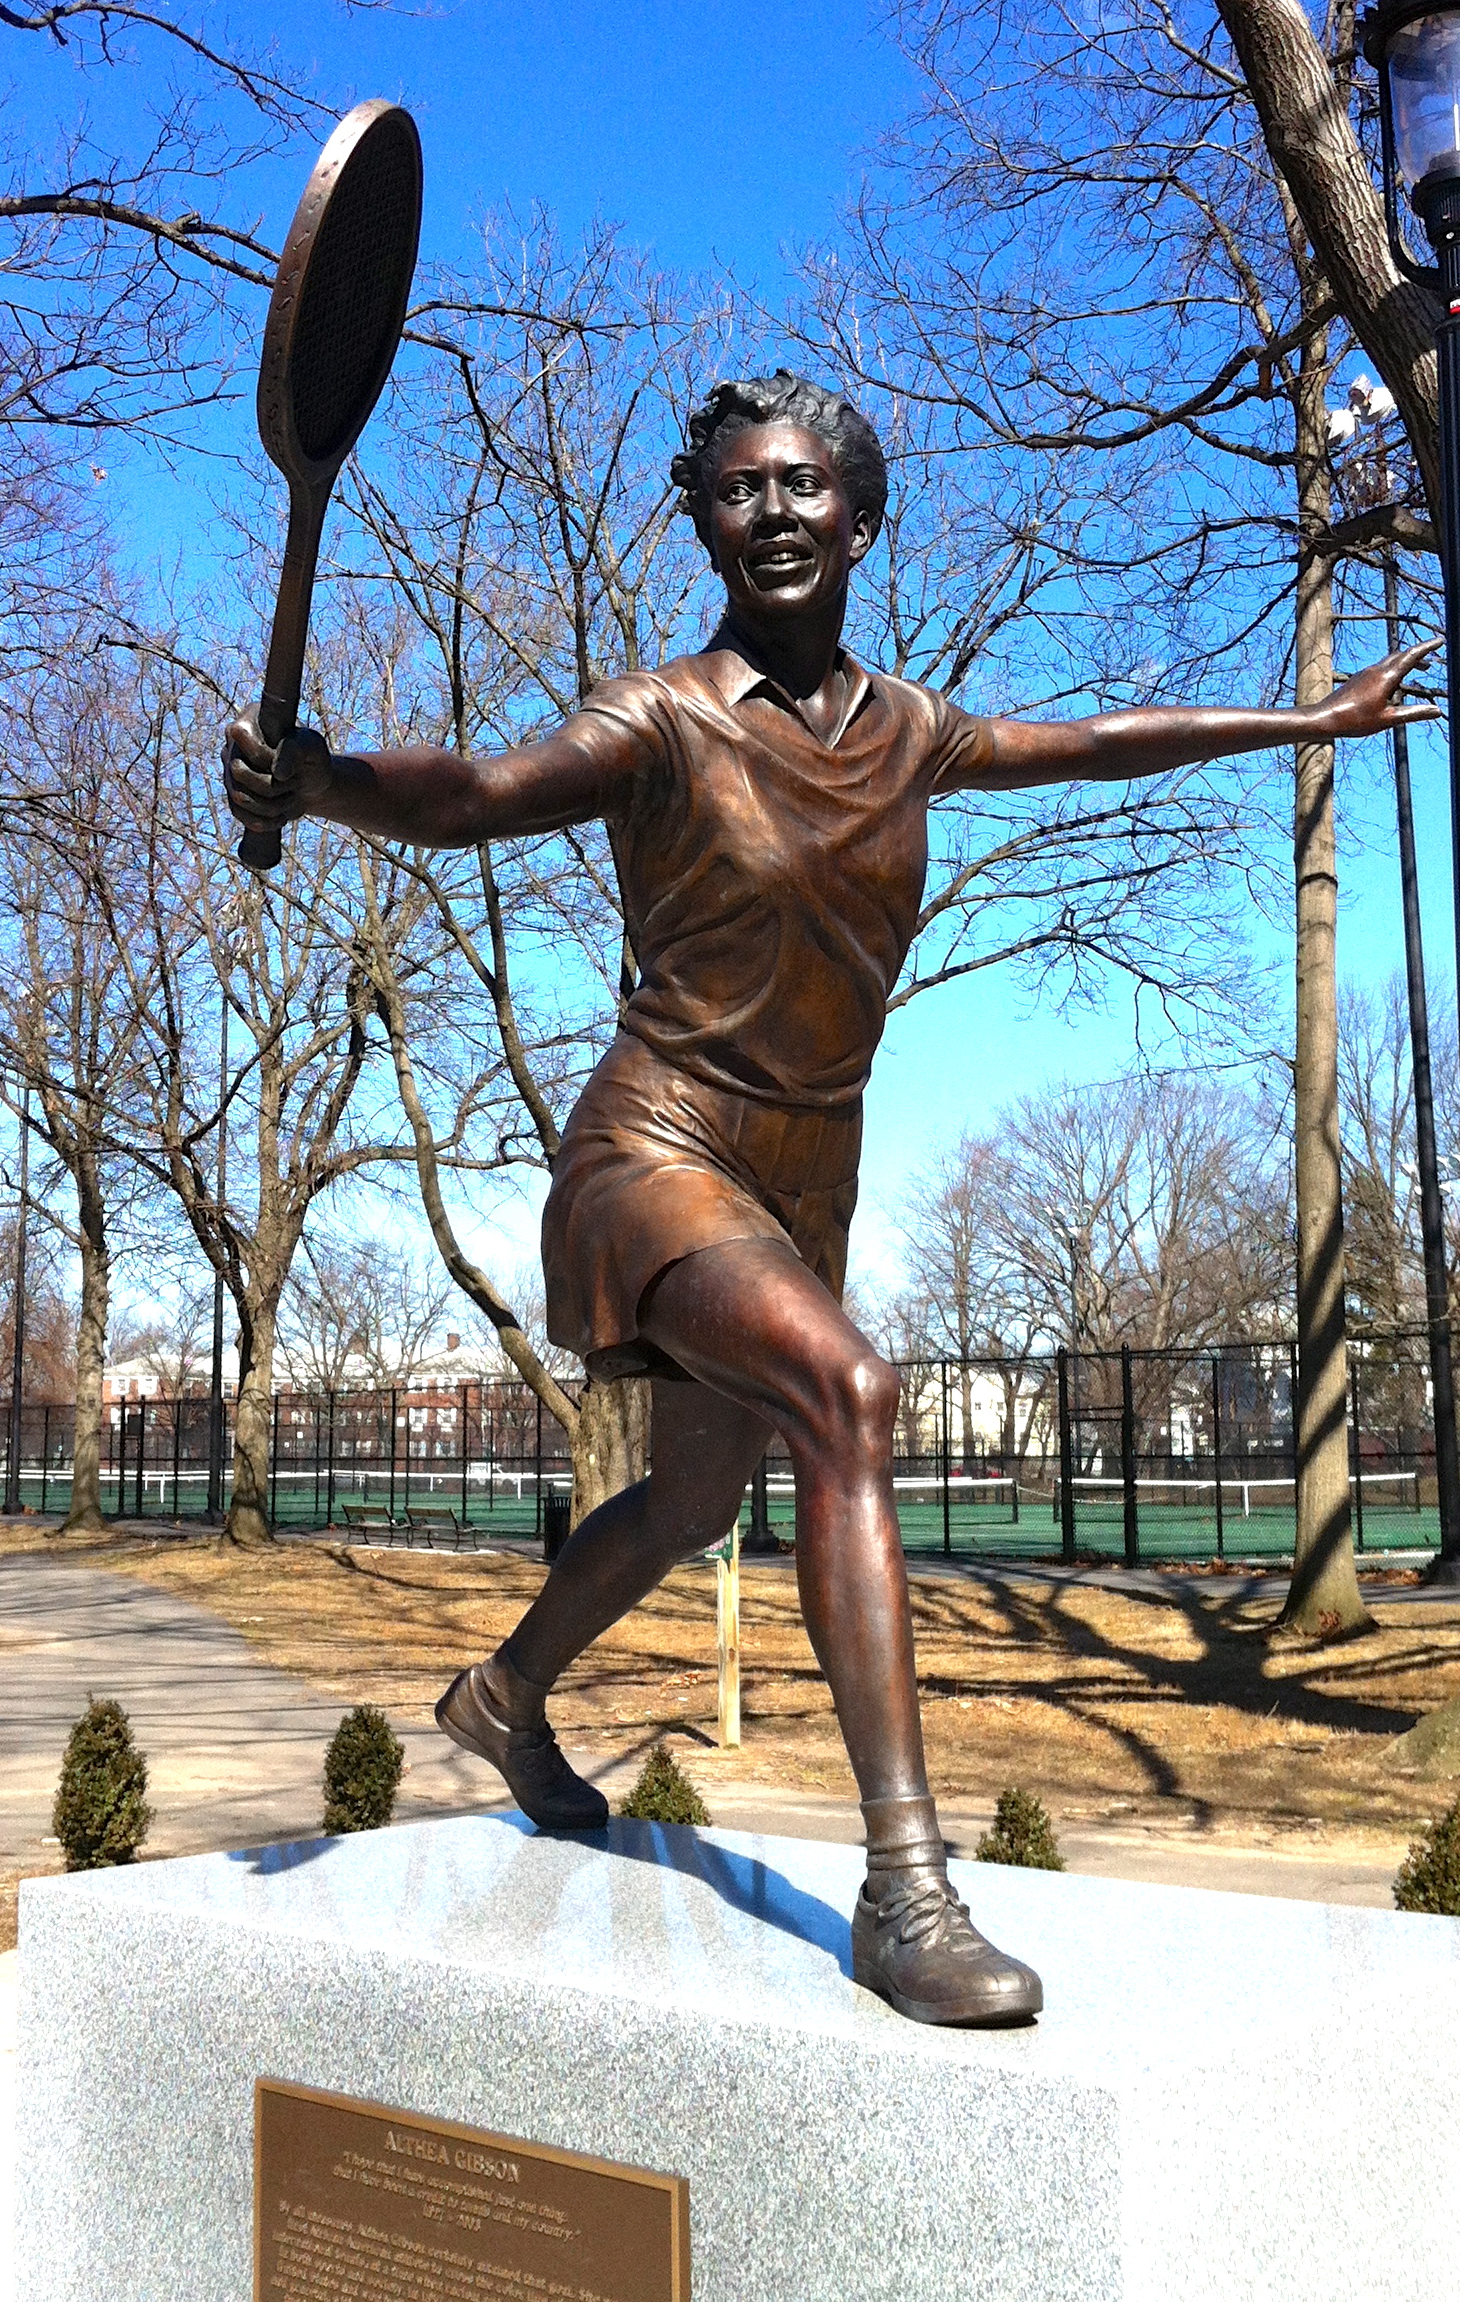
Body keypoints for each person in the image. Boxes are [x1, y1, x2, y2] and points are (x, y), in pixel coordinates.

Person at [224, 370, 1435, 2028]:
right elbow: (483, 794)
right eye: (739, 489)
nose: (774, 511)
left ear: (862, 520)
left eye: (806, 486)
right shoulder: (662, 720)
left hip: (809, 1178)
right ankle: (907, 1882)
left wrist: (1303, 722)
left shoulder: (913, 731)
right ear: (703, 523)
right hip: (653, 1151)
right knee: (851, 1395)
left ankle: (506, 1690)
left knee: (693, 1505)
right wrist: (326, 778)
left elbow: (1091, 743)